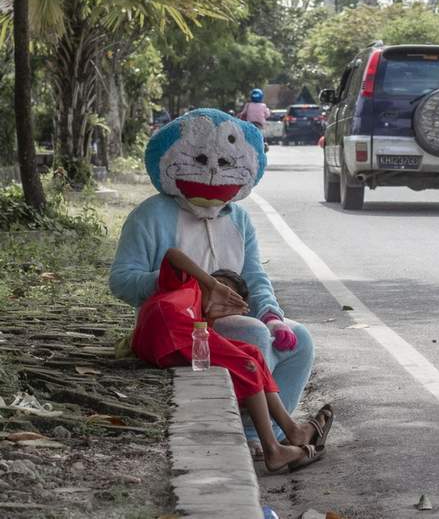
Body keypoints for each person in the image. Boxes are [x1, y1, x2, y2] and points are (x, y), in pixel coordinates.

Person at [109, 108, 321, 455]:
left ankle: (267, 433)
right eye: (202, 161)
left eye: (224, 163)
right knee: (253, 335)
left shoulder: (239, 218)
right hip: (181, 325)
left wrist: (272, 315)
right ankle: (253, 434)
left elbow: (254, 275)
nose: (212, 172)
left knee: (299, 340)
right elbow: (121, 280)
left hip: (236, 315)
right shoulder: (150, 215)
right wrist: (183, 287)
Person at [133, 248, 331, 471]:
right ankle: (273, 449)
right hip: (164, 325)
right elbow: (172, 255)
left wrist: (213, 316)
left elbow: (205, 342)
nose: (222, 296)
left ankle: (292, 430)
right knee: (247, 366)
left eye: (230, 298)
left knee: (253, 355)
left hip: (173, 340)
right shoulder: (186, 285)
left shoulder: (201, 322)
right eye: (221, 286)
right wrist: (211, 284)